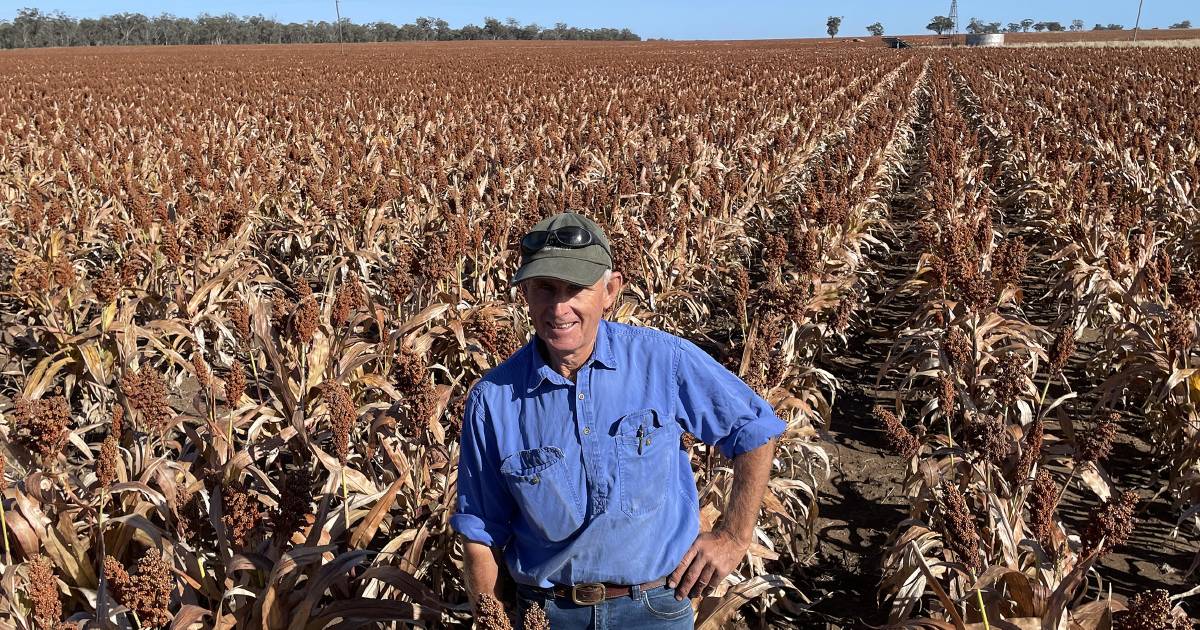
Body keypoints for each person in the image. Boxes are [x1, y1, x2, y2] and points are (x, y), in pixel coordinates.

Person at [451, 212, 785, 628]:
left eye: (576, 289)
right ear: (526, 294)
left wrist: (734, 536)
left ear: (610, 290)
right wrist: (493, 619)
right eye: (545, 289)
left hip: (654, 608)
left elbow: (754, 430)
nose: (559, 308)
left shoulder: (664, 362)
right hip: (548, 614)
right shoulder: (493, 400)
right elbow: (481, 532)